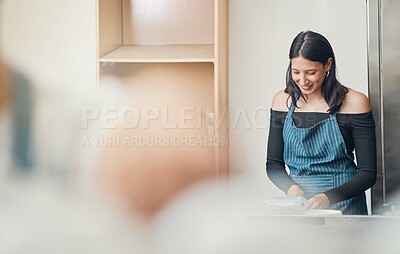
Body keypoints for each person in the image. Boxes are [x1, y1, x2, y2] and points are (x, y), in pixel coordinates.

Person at [266, 30, 377, 215]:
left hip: (346, 208)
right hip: (301, 208)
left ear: (328, 65)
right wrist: (290, 188)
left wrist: (328, 197)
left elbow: (368, 174)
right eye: (296, 72)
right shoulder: (282, 101)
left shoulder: (355, 102)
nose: (303, 81)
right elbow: (273, 165)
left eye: (310, 72)